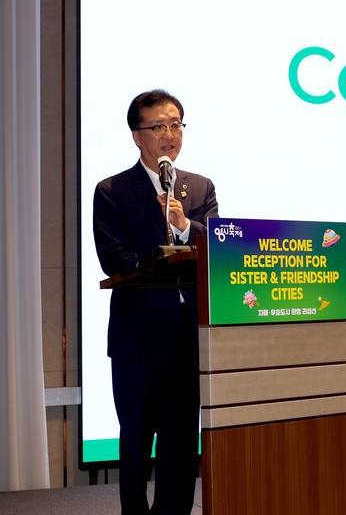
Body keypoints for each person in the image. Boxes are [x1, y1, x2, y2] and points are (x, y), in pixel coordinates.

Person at [93, 89, 218, 514]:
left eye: (175, 125)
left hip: (188, 337)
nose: (169, 134)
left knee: (180, 442)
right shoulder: (112, 191)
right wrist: (163, 255)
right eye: (158, 126)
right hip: (138, 339)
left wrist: (184, 226)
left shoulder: (199, 187)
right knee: (136, 440)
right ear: (137, 135)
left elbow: (218, 244)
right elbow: (114, 258)